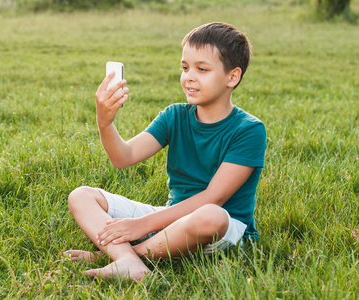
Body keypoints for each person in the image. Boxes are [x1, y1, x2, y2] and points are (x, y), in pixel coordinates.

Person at [64, 22, 266, 281]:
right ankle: (128, 262)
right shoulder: (175, 116)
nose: (189, 76)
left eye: (202, 69)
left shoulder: (249, 129)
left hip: (223, 229)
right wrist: (105, 122)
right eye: (185, 67)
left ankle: (125, 255)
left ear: (232, 77)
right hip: (171, 220)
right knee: (81, 196)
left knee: (210, 215)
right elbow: (122, 157)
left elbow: (213, 197)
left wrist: (142, 225)